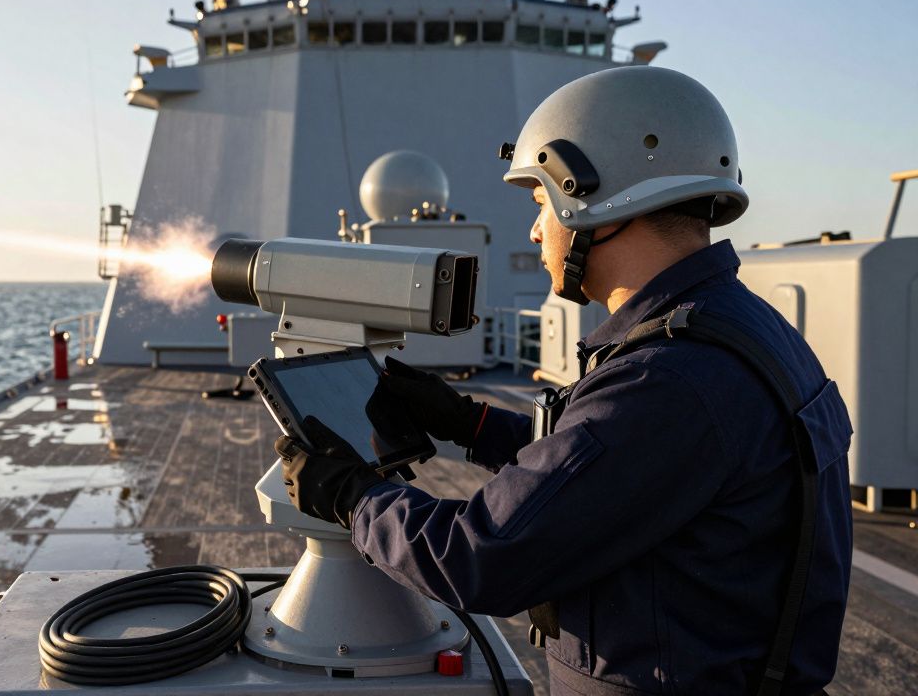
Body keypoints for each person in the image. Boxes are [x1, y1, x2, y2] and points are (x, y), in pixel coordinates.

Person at [274, 66, 853, 695]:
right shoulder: (738, 329)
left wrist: (353, 497)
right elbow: (609, 471)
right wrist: (469, 424)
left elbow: (480, 557)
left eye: (540, 202)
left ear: (592, 201)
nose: (534, 228)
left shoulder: (668, 378)